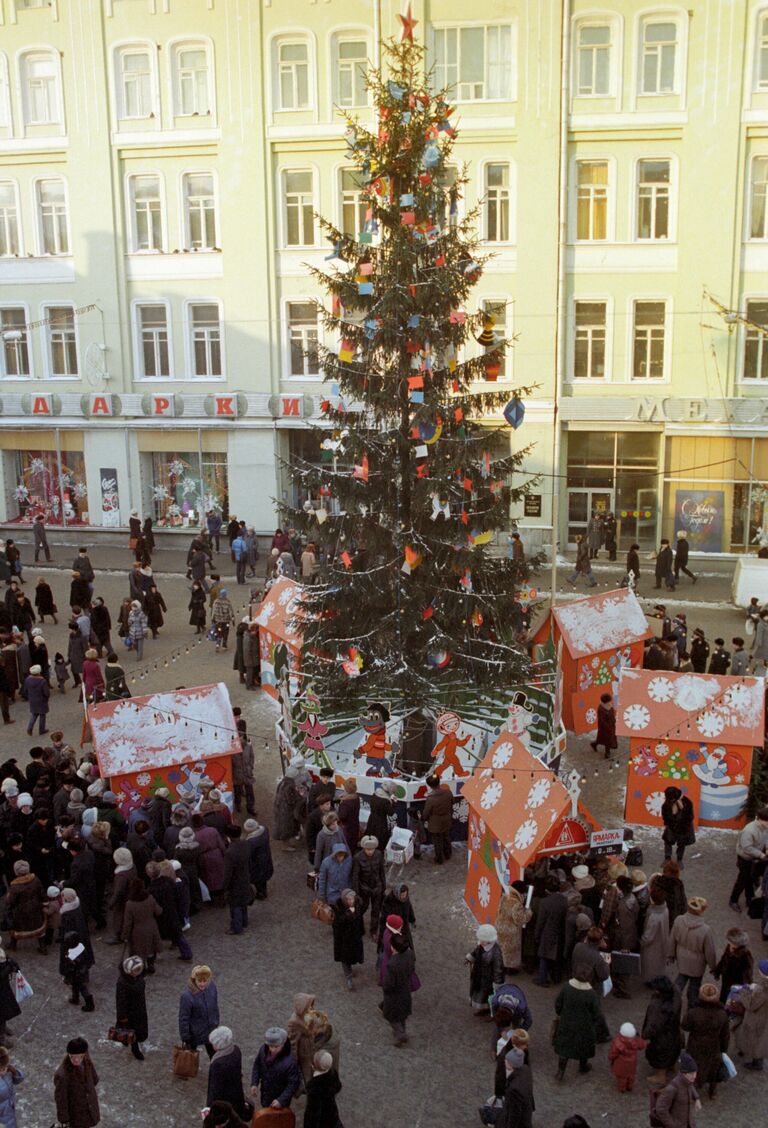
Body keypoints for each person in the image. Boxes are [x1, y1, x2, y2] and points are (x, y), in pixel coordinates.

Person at [681, 982, 729, 1100]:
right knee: (713, 1068)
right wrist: (724, 1048)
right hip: (714, 1045)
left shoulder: (694, 1012)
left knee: (694, 1065)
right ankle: (712, 1092)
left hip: (696, 1044)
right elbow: (725, 1034)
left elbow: (685, 1026)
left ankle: (693, 1089)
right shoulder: (722, 1014)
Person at [553, 966, 600, 1080]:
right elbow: (596, 1012)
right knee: (584, 1047)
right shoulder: (592, 994)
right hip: (585, 1026)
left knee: (564, 1048)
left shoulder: (567, 987)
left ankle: (560, 1072)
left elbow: (558, 1003)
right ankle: (583, 1066)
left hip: (567, 1022)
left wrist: (560, 1014)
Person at [668, 897, 716, 1007]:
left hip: (682, 957)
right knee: (694, 986)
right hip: (697, 963)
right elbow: (710, 952)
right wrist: (713, 967)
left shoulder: (679, 920)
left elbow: (672, 939)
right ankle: (691, 1007)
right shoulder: (705, 929)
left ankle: (672, 1001)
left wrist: (671, 954)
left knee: (681, 979)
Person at [642, 976, 683, 1086]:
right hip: (674, 1030)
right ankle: (672, 1066)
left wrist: (645, 1035)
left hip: (662, 1035)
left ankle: (661, 1076)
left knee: (660, 1053)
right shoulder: (676, 994)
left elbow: (653, 1024)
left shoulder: (658, 1006)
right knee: (672, 1049)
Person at [728, 804, 768, 912]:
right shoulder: (749, 830)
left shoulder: (765, 827)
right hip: (745, 859)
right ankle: (733, 900)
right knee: (743, 880)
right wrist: (761, 855)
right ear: (761, 820)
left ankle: (749, 899)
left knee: (752, 878)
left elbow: (767, 837)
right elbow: (747, 848)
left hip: (757, 857)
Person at [53, 1036, 100, 1128]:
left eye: (80, 1057)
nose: (76, 1060)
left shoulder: (86, 1059)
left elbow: (93, 1077)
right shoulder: (62, 1075)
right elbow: (61, 1100)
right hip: (75, 1114)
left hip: (88, 1109)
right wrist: (64, 1120)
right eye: (72, 1057)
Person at [250, 1027, 301, 1110]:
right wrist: (254, 1083)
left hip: (280, 1099)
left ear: (283, 1044)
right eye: (270, 1046)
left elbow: (293, 1084)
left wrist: (281, 1100)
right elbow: (257, 1065)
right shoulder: (263, 1050)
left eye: (276, 1047)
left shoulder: (291, 1062)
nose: (272, 1049)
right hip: (265, 1094)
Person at [207, 1026, 248, 1120]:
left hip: (223, 1100)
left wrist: (210, 1107)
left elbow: (215, 1089)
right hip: (236, 1093)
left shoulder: (218, 1063)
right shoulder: (236, 1050)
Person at [121, 879, 162, 973]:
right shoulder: (150, 898)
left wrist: (125, 935)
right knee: (151, 949)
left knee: (139, 951)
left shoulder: (130, 904)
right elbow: (159, 911)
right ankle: (151, 965)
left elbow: (128, 923)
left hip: (137, 932)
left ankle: (141, 969)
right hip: (151, 927)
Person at [734, 956, 768, 1070]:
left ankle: (757, 1063)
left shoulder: (763, 990)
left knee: (756, 1040)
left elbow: (751, 1005)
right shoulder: (763, 987)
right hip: (764, 1017)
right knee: (761, 1039)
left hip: (758, 1019)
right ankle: (756, 1060)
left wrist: (743, 991)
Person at [382, 932, 416, 1047]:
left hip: (394, 995)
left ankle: (400, 1034)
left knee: (392, 1017)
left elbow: (388, 984)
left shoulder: (393, 964)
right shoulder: (410, 954)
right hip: (405, 990)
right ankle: (402, 1031)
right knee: (402, 1015)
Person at [534, 874, 568, 986]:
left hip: (547, 932)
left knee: (543, 956)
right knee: (557, 956)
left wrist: (537, 935)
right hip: (560, 931)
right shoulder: (564, 900)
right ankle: (556, 977)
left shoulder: (544, 902)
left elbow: (541, 921)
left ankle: (542, 979)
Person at [179, 965, 220, 1059]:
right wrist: (185, 1036)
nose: (202, 984)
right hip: (194, 1034)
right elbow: (184, 1018)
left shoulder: (212, 988)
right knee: (189, 1058)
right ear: (194, 980)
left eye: (204, 981)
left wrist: (215, 1023)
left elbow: (215, 1007)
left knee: (214, 1056)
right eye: (199, 981)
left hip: (210, 1030)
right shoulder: (187, 996)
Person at [114, 955, 148, 1062]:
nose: (138, 971)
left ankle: (126, 1040)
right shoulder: (123, 983)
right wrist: (122, 1017)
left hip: (139, 1009)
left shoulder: (136, 977)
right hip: (130, 1012)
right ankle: (135, 1049)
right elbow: (121, 1002)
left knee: (135, 1030)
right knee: (132, 1031)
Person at [351, 834, 386, 938]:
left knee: (376, 911)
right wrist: (356, 892)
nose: (370, 851)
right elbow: (355, 877)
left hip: (377, 888)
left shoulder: (379, 855)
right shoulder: (357, 858)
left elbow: (381, 872)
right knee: (362, 908)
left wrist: (383, 886)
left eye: (372, 849)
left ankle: (374, 932)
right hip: (364, 889)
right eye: (368, 849)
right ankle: (357, 926)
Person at [496, 882, 532, 975]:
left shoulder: (504, 897)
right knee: (511, 952)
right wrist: (528, 912)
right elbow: (520, 919)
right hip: (511, 932)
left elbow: (498, 910)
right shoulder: (516, 903)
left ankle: (501, 968)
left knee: (502, 949)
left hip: (500, 927)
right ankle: (511, 969)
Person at [467, 923, 504, 1013]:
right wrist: (470, 958)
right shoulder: (482, 945)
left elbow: (498, 969)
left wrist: (497, 982)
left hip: (488, 980)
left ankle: (489, 1011)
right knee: (480, 994)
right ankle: (484, 1009)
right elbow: (476, 952)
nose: (480, 941)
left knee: (487, 996)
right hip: (480, 977)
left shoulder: (496, 952)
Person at [223, 825, 251, 935]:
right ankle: (244, 921)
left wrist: (224, 886)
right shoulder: (246, 844)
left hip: (235, 883)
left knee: (235, 906)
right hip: (245, 877)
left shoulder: (229, 852)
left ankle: (236, 927)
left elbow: (228, 873)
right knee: (243, 902)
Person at [304, 1049, 342, 1128]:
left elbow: (313, 1115)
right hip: (332, 1117)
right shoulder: (332, 1074)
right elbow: (338, 1086)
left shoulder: (315, 1088)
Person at [714, 927, 752, 1004]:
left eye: (730, 941)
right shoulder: (729, 948)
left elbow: (747, 974)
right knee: (723, 998)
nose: (728, 943)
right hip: (726, 981)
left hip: (736, 985)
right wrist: (717, 971)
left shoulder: (745, 956)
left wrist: (745, 988)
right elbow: (723, 960)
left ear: (737, 944)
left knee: (731, 1002)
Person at [608, 1021, 648, 1093]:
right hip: (632, 1062)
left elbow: (613, 1052)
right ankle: (630, 1087)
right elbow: (642, 1044)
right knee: (631, 1075)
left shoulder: (618, 1041)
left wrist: (610, 1057)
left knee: (622, 1077)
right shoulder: (636, 1041)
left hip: (621, 1063)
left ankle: (622, 1088)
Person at [422, 773, 454, 864]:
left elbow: (426, 813)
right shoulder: (448, 792)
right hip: (447, 820)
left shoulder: (431, 798)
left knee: (437, 841)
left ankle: (439, 859)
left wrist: (423, 819)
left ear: (429, 785)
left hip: (435, 823)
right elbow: (452, 802)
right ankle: (448, 854)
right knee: (446, 837)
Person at [641, 885, 670, 982]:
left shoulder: (654, 917)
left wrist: (641, 941)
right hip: (662, 940)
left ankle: (651, 981)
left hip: (652, 946)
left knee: (651, 964)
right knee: (659, 963)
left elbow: (648, 937)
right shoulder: (665, 909)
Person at [661, 787, 696, 868]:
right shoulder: (666, 804)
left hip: (683, 827)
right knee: (667, 841)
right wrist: (672, 817)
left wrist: (682, 810)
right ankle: (667, 858)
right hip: (671, 826)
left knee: (681, 843)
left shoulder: (687, 802)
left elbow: (690, 817)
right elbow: (665, 817)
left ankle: (679, 859)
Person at [243, 817, 273, 900]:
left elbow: (249, 854)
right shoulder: (265, 830)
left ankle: (261, 893)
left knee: (258, 878)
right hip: (266, 857)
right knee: (263, 877)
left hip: (257, 863)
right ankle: (263, 891)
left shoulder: (251, 841)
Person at [23, 664, 49, 735]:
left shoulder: (27, 680)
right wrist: (46, 698)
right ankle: (41, 729)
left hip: (32, 700)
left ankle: (29, 728)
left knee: (34, 714)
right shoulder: (42, 681)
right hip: (41, 700)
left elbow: (25, 690)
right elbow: (46, 692)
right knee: (42, 715)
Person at [0, 1045, 23, 1128]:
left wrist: (15, 1072)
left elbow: (19, 1080)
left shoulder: (7, 1072)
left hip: (9, 1111)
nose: (3, 1071)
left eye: (4, 1068)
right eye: (1, 1069)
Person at [589, 692, 616, 759]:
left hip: (611, 726)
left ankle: (594, 744)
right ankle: (607, 753)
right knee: (607, 740)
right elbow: (602, 721)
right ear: (606, 701)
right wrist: (608, 727)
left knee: (602, 739)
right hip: (605, 728)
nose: (611, 701)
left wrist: (614, 721)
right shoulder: (601, 709)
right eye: (609, 700)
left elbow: (612, 714)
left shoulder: (609, 706)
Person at [338, 777, 360, 851]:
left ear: (347, 790)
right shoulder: (356, 797)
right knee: (353, 844)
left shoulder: (345, 803)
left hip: (347, 828)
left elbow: (342, 816)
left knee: (347, 846)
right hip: (355, 824)